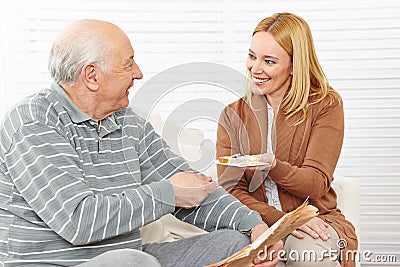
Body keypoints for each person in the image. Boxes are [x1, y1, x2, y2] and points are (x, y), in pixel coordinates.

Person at [0, 19, 283, 267]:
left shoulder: (127, 122)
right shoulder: (34, 122)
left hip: (131, 256)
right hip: (56, 263)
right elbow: (78, 221)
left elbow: (192, 185)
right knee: (133, 261)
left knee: (234, 244)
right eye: (128, 63)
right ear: (92, 76)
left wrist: (255, 226)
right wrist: (168, 194)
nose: (138, 72)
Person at [216, 12, 358, 267]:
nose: (255, 69)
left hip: (315, 219)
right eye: (252, 56)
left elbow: (316, 184)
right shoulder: (232, 114)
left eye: (269, 61)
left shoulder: (325, 105)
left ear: (295, 64)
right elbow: (230, 190)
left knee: (308, 254)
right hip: (255, 224)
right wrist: (281, 220)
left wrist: (272, 166)